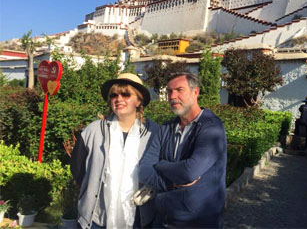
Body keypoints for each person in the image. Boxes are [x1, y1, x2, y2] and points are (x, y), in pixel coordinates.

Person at [139, 72, 227, 228]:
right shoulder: (166, 128)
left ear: (195, 92)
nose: (172, 96)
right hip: (163, 220)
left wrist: (160, 164)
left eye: (179, 90)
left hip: (199, 223)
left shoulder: (212, 128)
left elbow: (189, 172)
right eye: (169, 91)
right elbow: (144, 170)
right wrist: (172, 184)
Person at [71, 73, 159, 229]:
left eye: (126, 94)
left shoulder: (153, 133)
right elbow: (78, 169)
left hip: (138, 218)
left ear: (139, 100)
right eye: (114, 95)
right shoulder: (93, 131)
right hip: (97, 217)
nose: (118, 99)